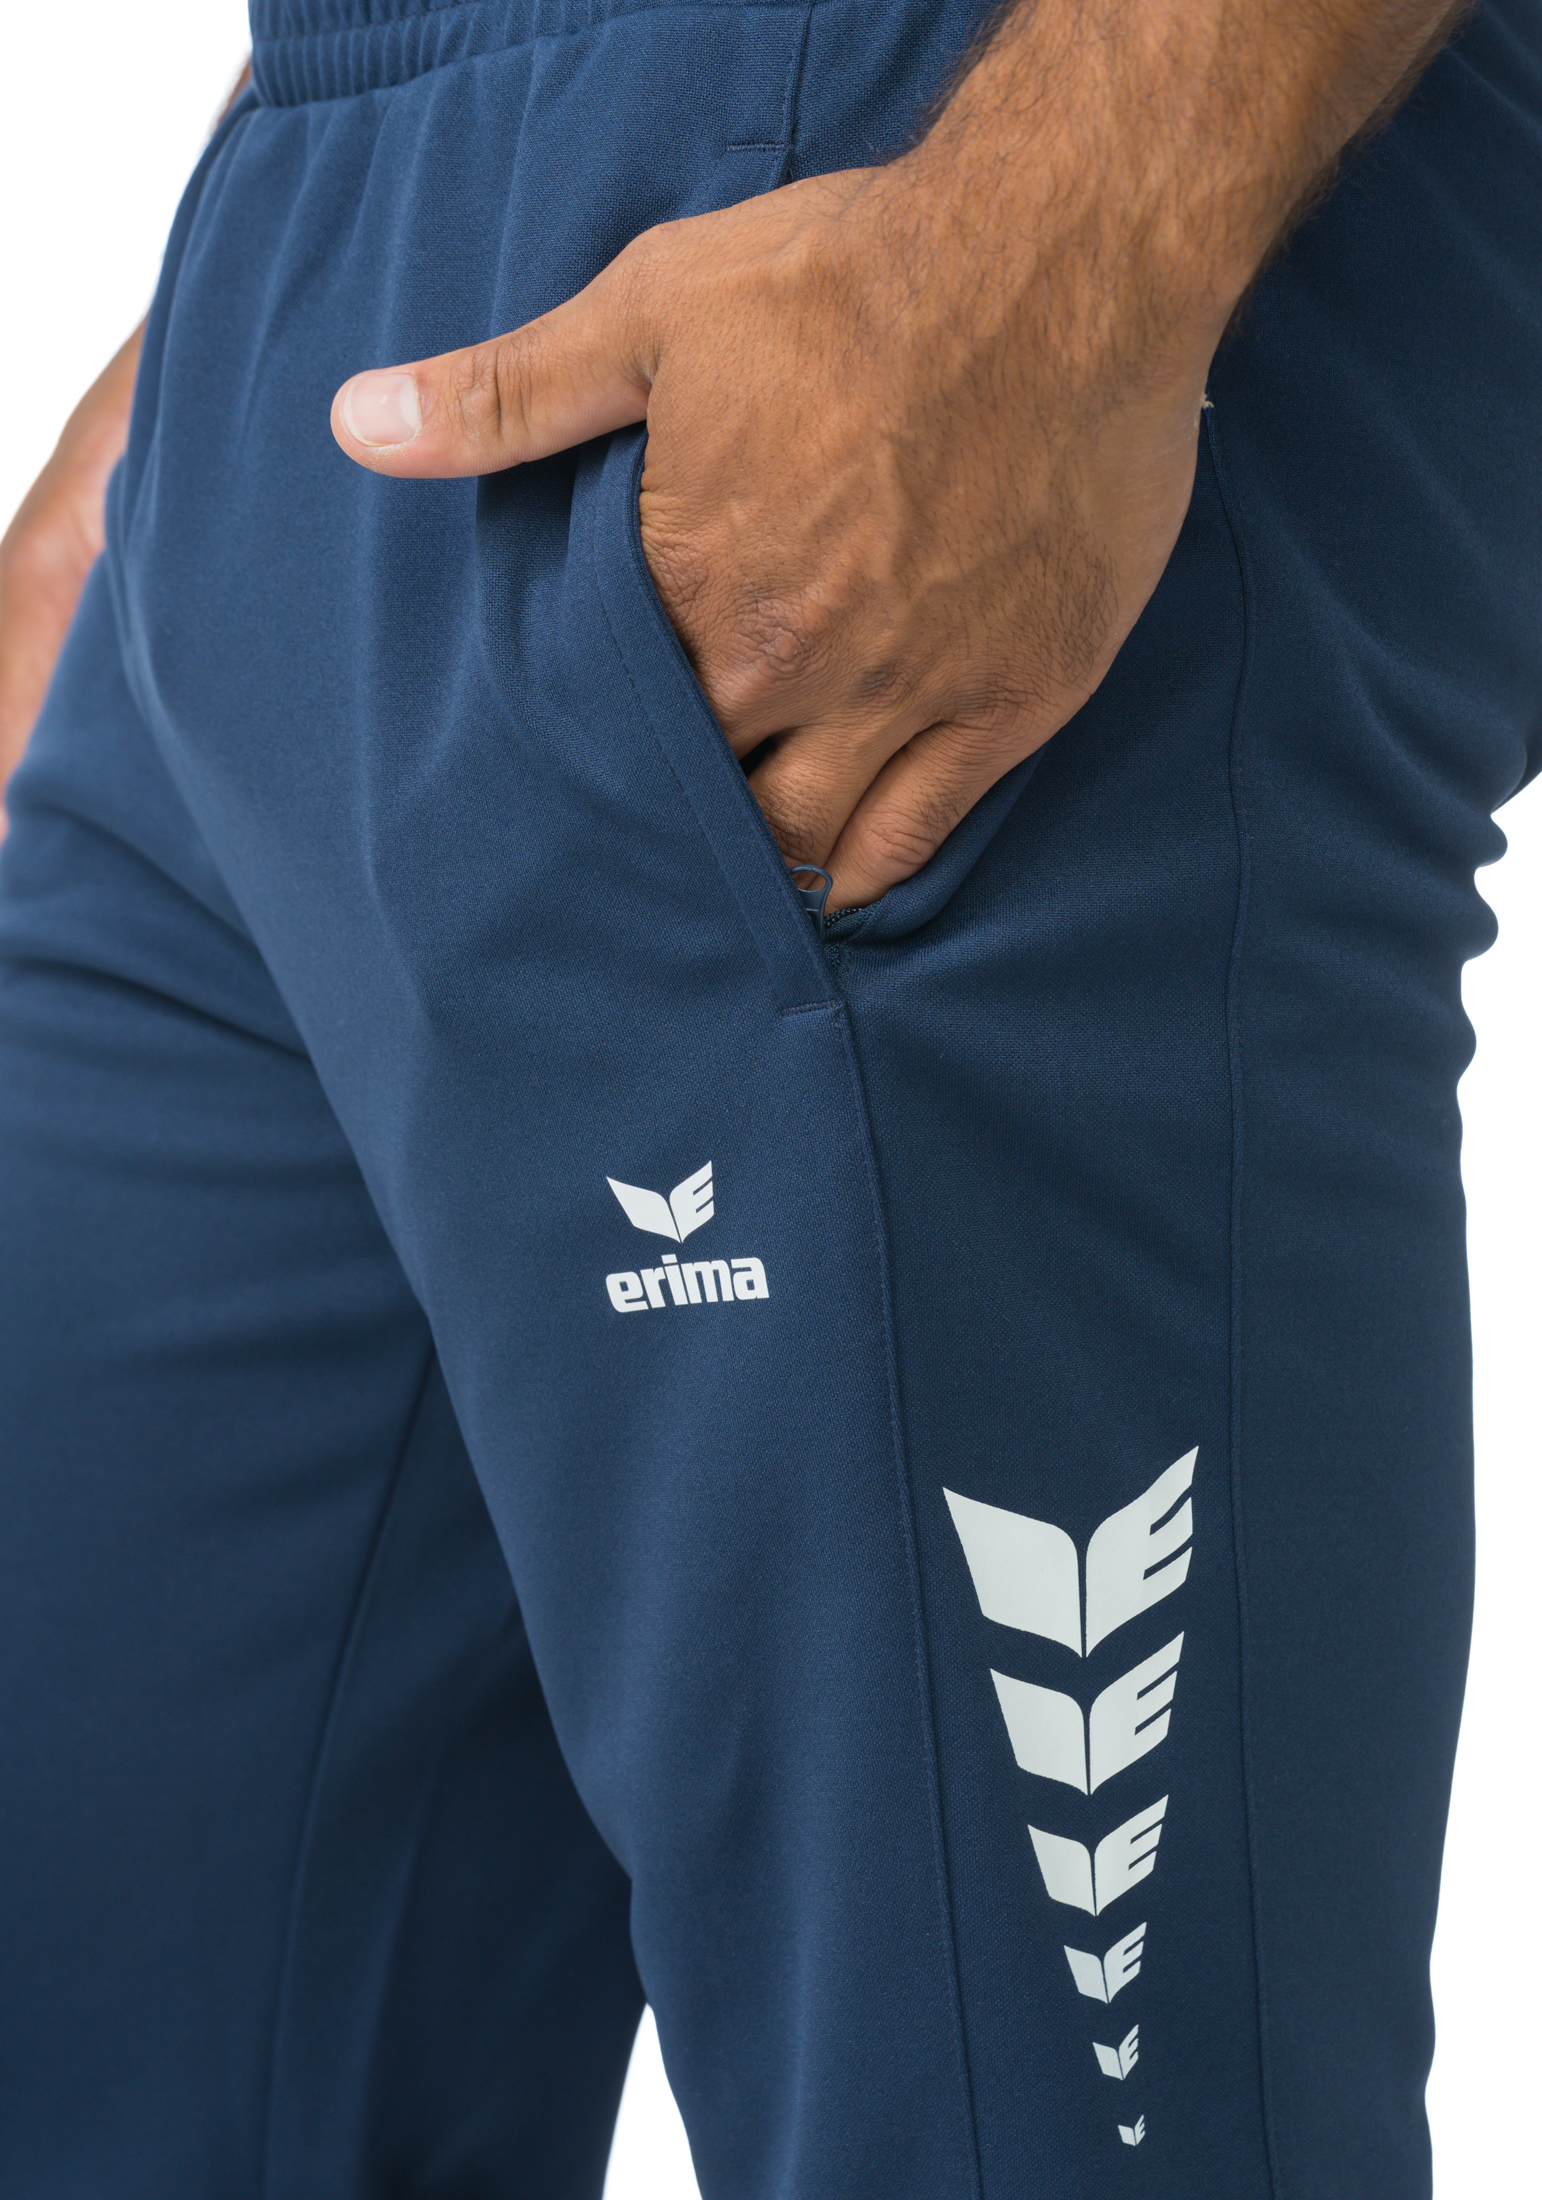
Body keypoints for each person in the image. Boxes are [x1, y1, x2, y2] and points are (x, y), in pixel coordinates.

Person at [0, 0, 1537, 2191]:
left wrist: (1057, 248)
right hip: (319, 318)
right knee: (116, 2078)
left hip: (945, 205)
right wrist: (250, 307)